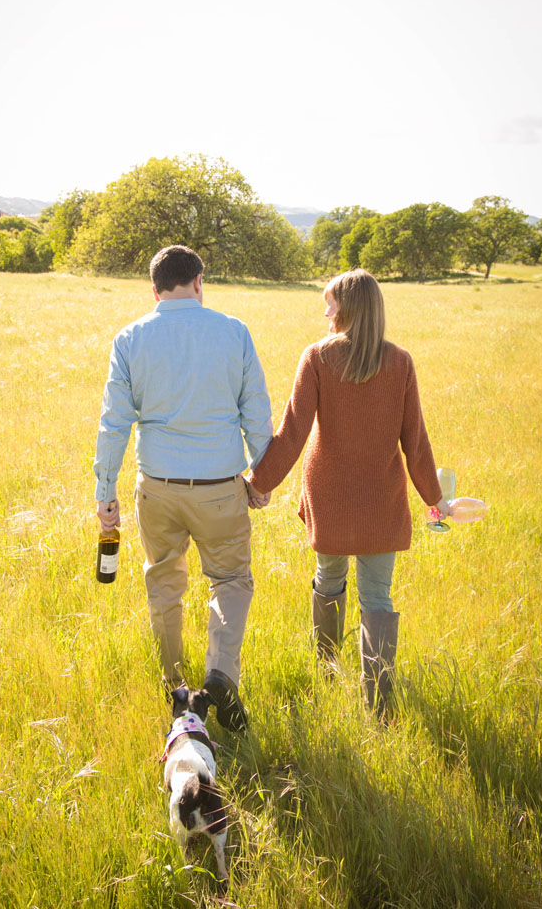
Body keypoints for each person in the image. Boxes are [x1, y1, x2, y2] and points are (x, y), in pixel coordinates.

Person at [248, 269, 450, 720]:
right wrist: (434, 498)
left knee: (329, 579)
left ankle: (327, 666)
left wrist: (257, 484)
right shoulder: (400, 361)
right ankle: (378, 705)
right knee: (377, 597)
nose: (324, 312)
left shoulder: (317, 356)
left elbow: (292, 433)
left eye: (330, 303)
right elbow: (414, 443)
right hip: (381, 499)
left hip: (331, 496)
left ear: (350, 307)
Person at [94, 245, 272, 731]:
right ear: (200, 281)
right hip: (220, 487)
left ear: (154, 290)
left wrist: (105, 491)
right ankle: (220, 675)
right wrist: (262, 477)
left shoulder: (130, 338)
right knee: (231, 580)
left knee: (164, 583)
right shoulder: (233, 331)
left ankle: (177, 690)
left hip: (157, 488)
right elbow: (256, 411)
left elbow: (114, 423)